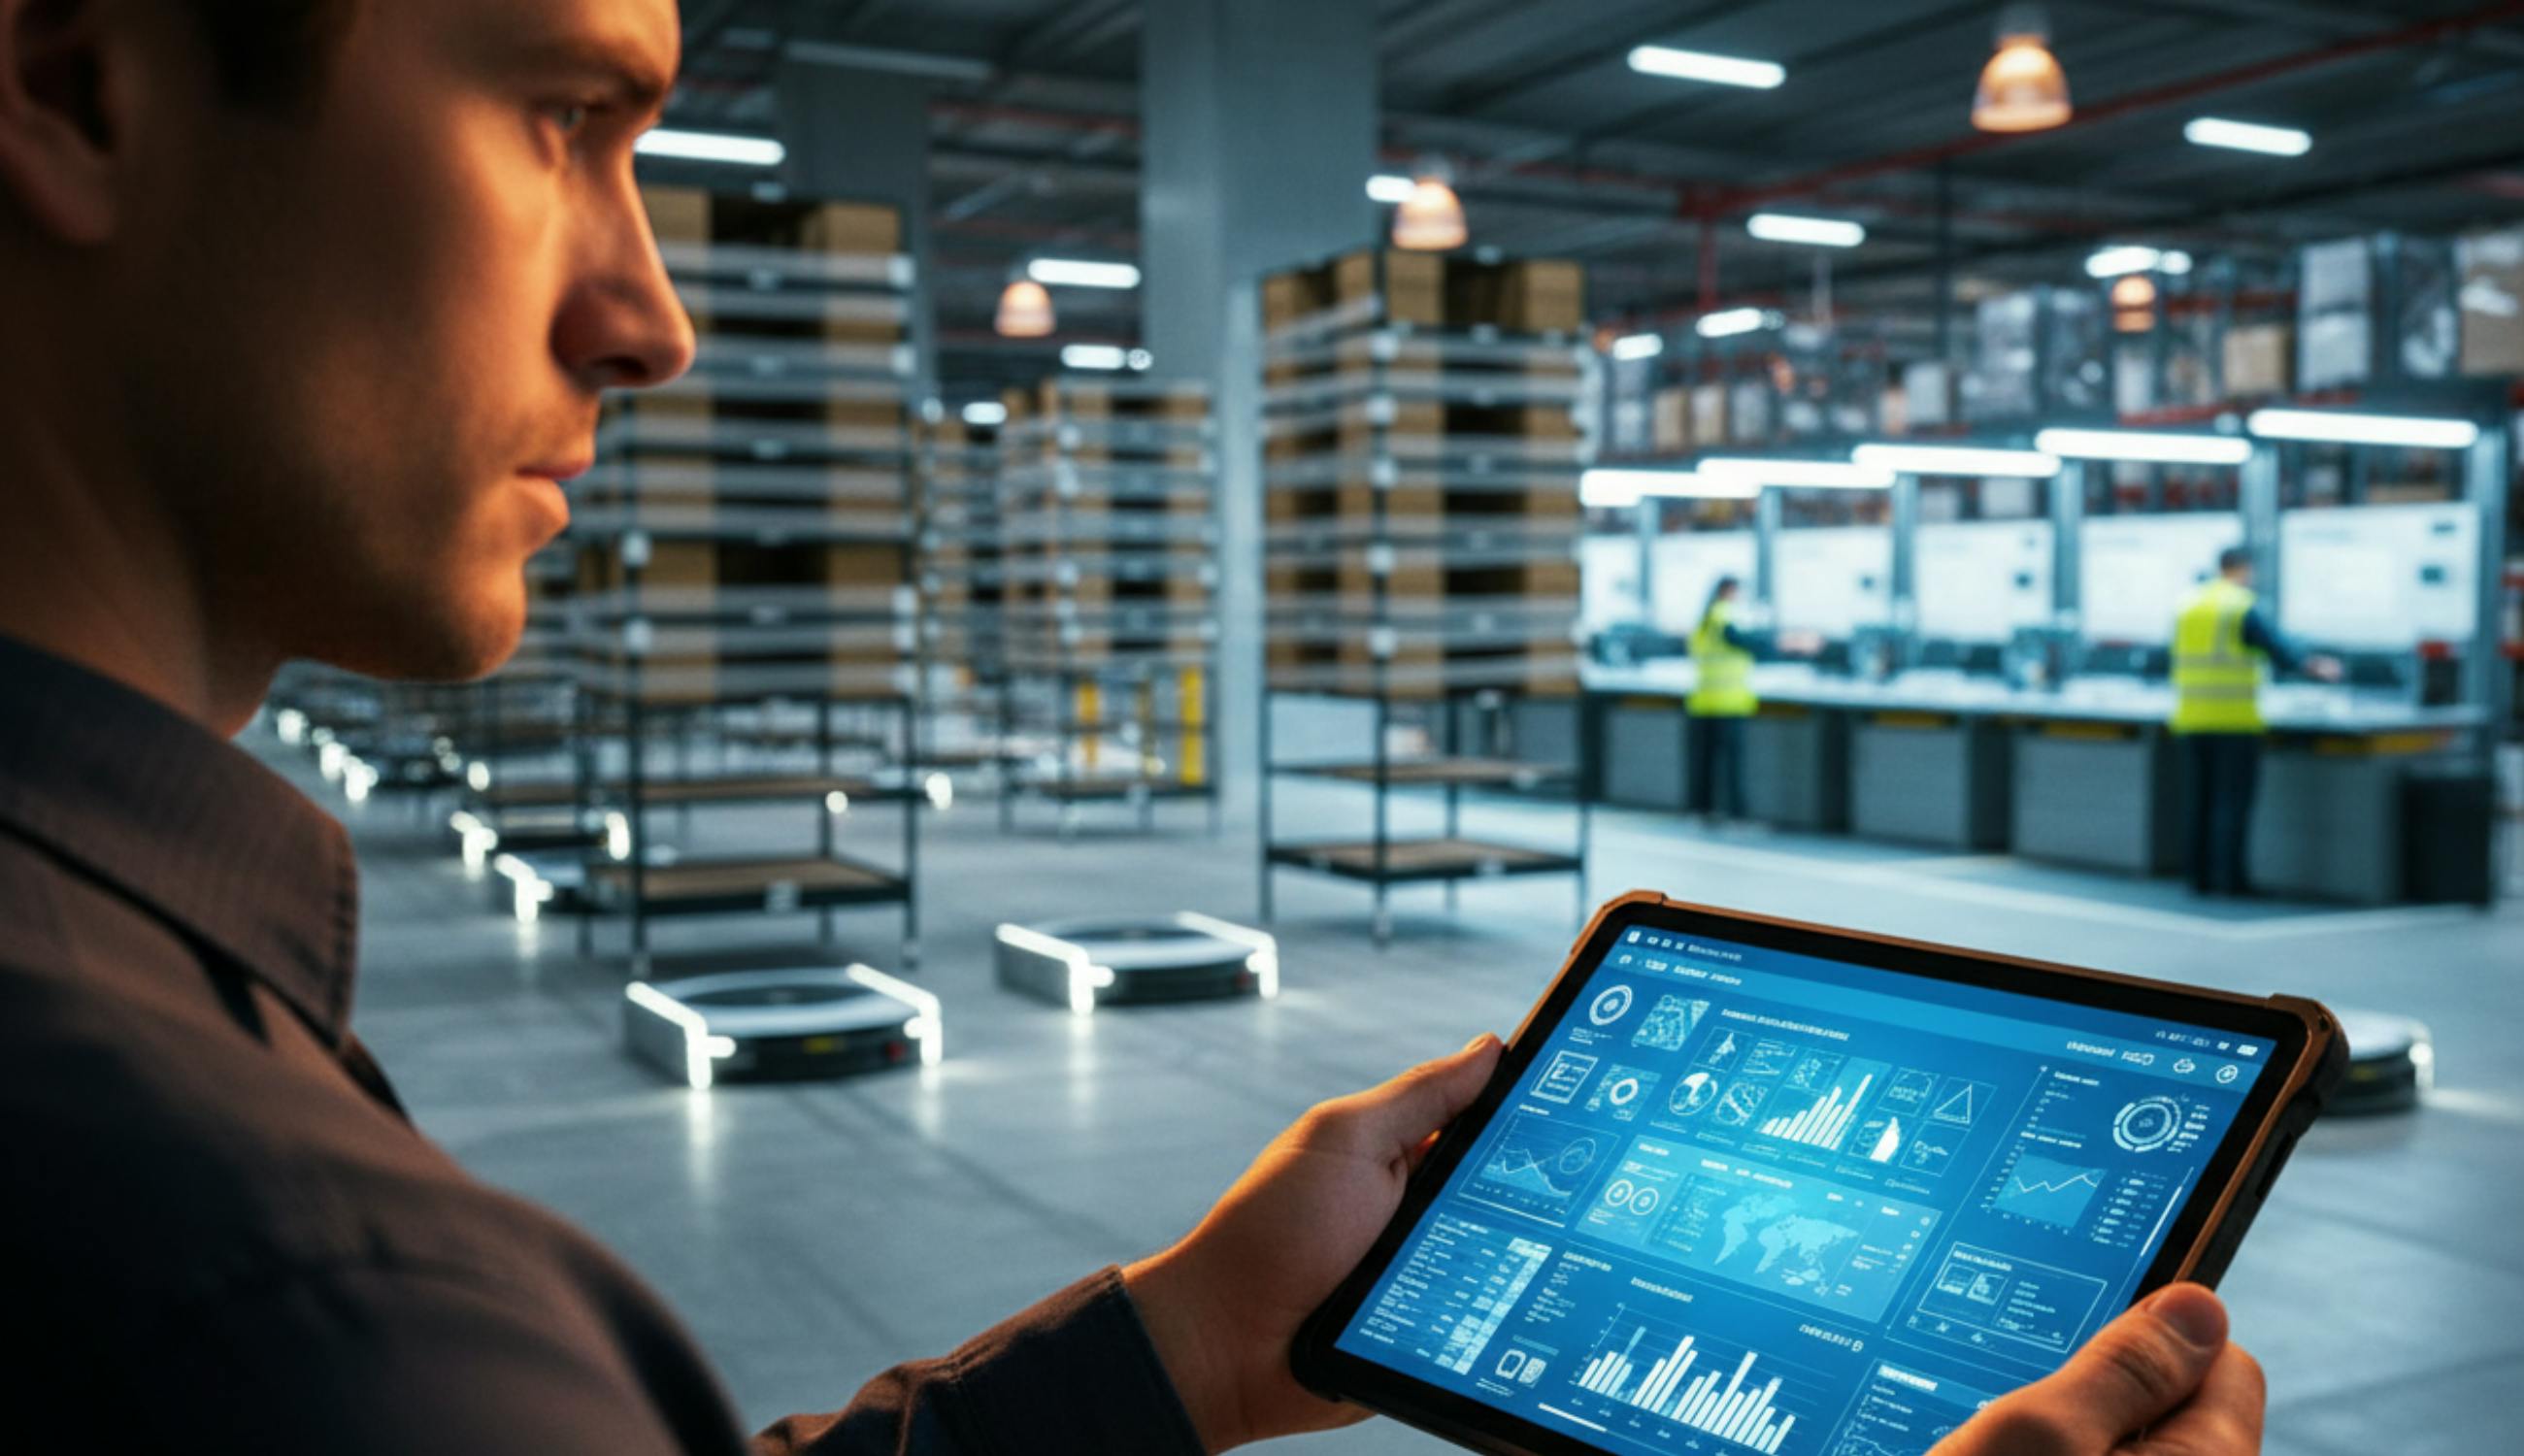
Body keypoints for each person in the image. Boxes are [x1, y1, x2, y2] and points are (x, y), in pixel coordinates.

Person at [0, 1, 2266, 1450]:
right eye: (558, 118)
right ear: (80, 81)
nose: (652, 316)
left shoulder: (169, 1045)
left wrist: (1185, 1336)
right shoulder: (289, 1305)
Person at [2170, 547, 2341, 897]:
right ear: (2241, 569)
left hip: (2191, 717)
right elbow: (2279, 649)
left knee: (2199, 800)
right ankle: (2233, 881)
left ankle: (2199, 879)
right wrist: (2317, 667)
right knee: (2232, 802)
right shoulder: (2239, 606)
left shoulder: (2189, 605)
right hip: (2234, 720)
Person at [1686, 576, 1759, 825]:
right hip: (1728, 703)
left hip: (1703, 702)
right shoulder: (1725, 615)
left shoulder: (1704, 621)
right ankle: (1737, 814)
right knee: (1733, 765)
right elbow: (1744, 641)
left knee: (1704, 762)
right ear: (1728, 592)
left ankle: (1702, 810)